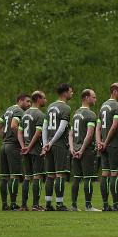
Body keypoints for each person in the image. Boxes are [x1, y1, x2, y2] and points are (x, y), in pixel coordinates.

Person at [40, 83, 74, 211]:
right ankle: (59, 204)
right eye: (71, 91)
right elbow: (61, 128)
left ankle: (48, 204)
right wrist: (52, 142)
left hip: (49, 143)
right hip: (59, 144)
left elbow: (45, 126)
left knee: (50, 175)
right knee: (60, 174)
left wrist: (45, 144)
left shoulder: (50, 106)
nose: (72, 93)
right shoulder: (66, 108)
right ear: (65, 93)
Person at [0, 93, 30, 210]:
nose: (29, 104)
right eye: (27, 101)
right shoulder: (19, 111)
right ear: (20, 101)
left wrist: (4, 137)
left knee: (4, 177)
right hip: (13, 146)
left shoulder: (8, 110)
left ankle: (4, 204)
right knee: (14, 175)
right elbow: (14, 126)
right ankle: (13, 203)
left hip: (4, 145)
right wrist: (21, 141)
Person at [97, 83, 118, 211]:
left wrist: (99, 142)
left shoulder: (103, 106)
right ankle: (115, 204)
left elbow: (98, 127)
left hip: (103, 145)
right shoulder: (117, 106)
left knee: (105, 173)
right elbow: (114, 126)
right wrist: (107, 142)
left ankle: (105, 204)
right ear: (114, 91)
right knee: (115, 173)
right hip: (113, 144)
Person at [20, 90, 46, 210]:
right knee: (37, 176)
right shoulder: (40, 115)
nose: (45, 100)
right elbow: (38, 133)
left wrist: (23, 146)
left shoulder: (24, 114)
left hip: (25, 149)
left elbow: (19, 132)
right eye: (44, 98)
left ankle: (23, 205)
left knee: (27, 177)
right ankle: (35, 205)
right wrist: (30, 147)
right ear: (38, 99)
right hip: (35, 149)